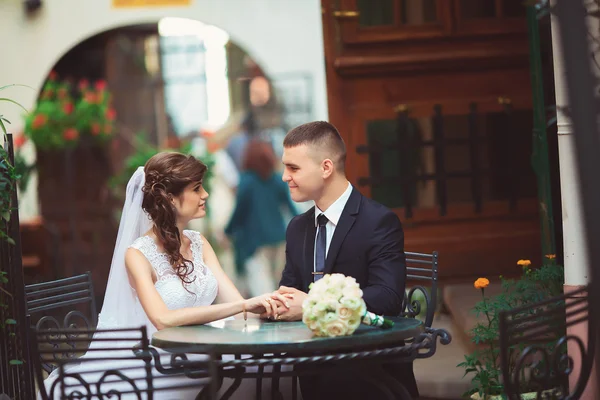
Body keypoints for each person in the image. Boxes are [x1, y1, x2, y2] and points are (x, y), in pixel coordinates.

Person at [41, 152, 290, 399]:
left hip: (206, 352)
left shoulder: (199, 242)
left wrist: (268, 305)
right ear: (170, 198)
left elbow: (235, 304)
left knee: (275, 367)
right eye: (196, 189)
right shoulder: (137, 254)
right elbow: (163, 319)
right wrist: (242, 305)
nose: (205, 195)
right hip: (163, 362)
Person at [264, 121, 419, 400]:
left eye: (293, 168)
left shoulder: (379, 221)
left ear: (326, 168)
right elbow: (290, 290)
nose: (285, 177)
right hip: (312, 368)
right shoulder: (297, 228)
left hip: (370, 371)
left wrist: (311, 305)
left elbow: (388, 297)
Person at [225, 140, 298, 297]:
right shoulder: (277, 179)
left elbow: (239, 212)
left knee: (263, 289)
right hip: (278, 238)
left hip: (255, 241)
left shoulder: (246, 181)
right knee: (280, 285)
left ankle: (268, 319)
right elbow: (290, 208)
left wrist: (228, 231)